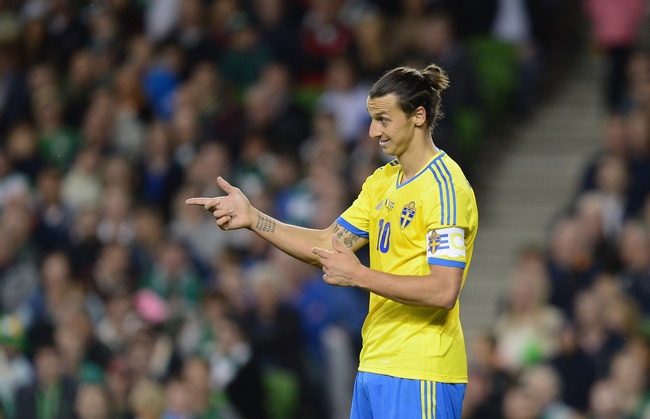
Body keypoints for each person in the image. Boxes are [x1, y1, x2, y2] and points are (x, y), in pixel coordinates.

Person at [186, 63, 479, 418]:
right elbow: (329, 243)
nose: (373, 131)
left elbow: (443, 290)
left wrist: (359, 275)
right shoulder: (382, 182)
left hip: (421, 369)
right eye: (372, 119)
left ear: (418, 116)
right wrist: (254, 219)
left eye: (383, 120)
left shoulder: (444, 189)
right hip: (375, 364)